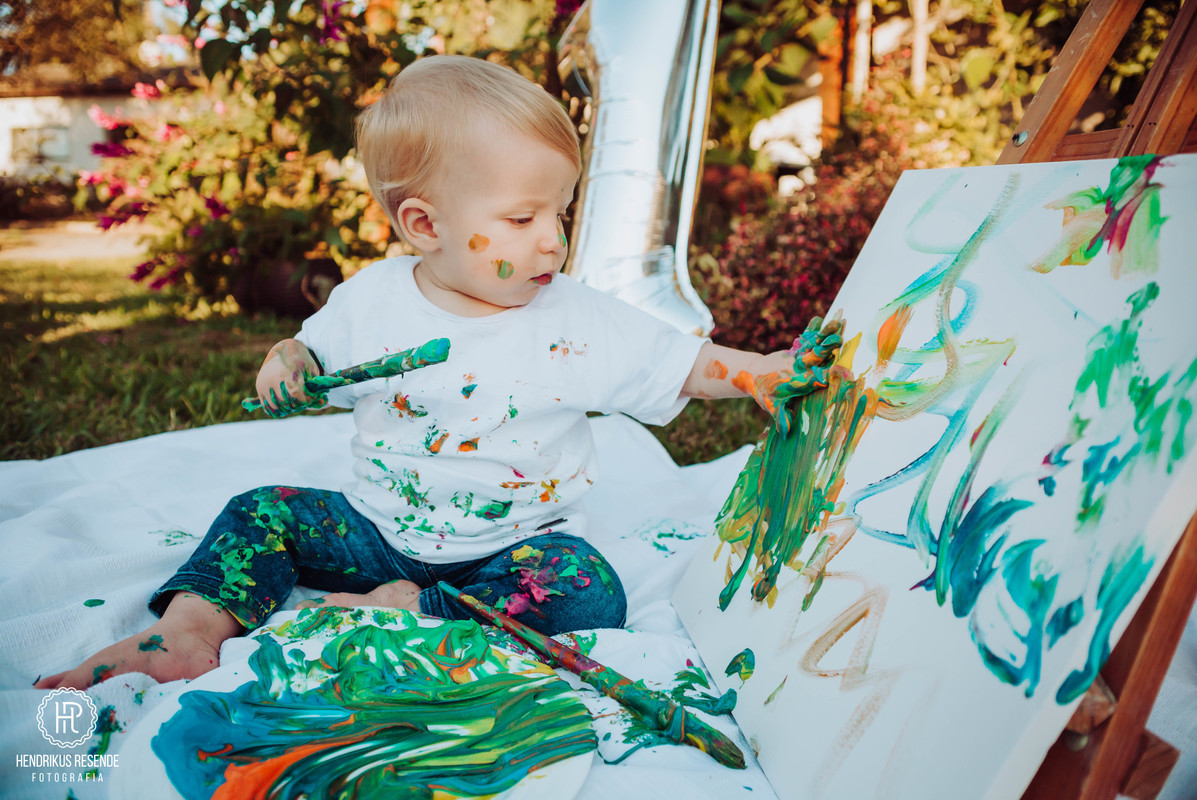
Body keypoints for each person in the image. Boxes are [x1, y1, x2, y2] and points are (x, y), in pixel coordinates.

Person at [36, 55, 828, 691]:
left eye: (561, 212)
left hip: (511, 547)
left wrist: (755, 372)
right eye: (522, 217)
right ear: (424, 224)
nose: (553, 240)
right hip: (375, 531)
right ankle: (187, 632)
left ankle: (417, 609)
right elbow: (310, 354)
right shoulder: (372, 301)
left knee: (586, 588)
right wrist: (288, 362)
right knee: (260, 511)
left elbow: (679, 363)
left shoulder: (575, 318)